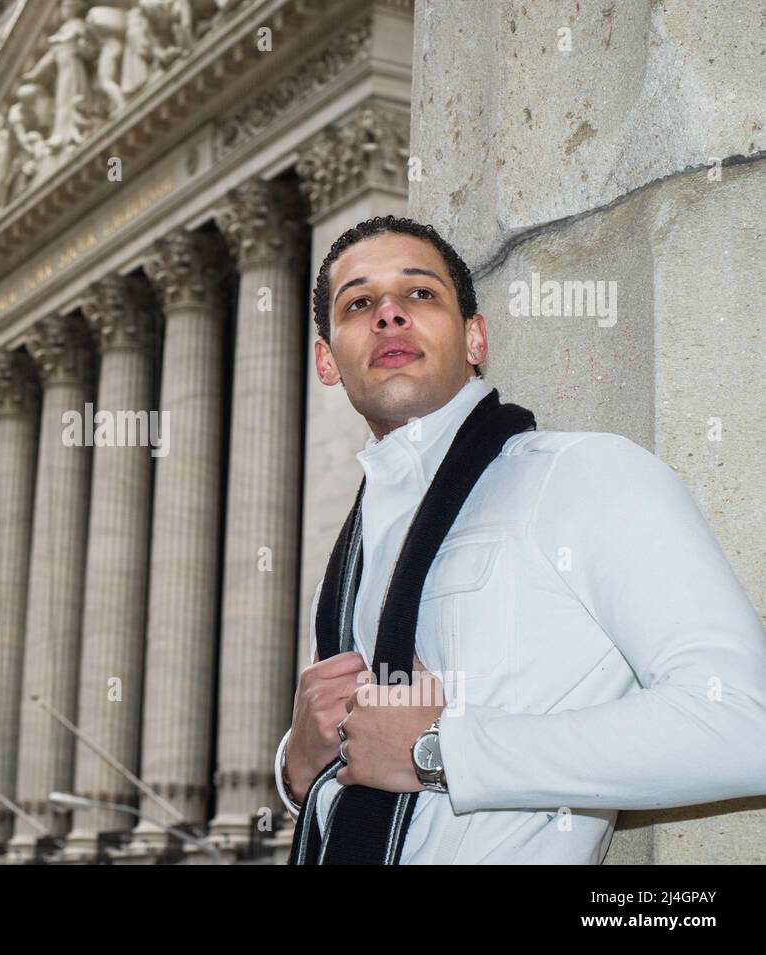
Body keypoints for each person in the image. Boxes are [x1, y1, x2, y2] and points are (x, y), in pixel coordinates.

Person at [276, 215, 766, 863]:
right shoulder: (347, 563)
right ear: (326, 360)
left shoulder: (583, 476)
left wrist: (443, 751)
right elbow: (350, 771)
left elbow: (745, 722)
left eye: (420, 294)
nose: (389, 313)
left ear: (475, 336)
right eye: (359, 302)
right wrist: (297, 762)